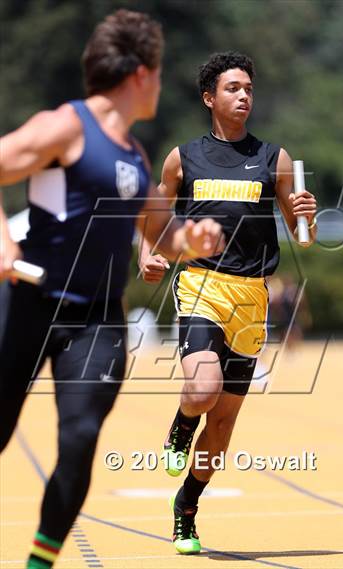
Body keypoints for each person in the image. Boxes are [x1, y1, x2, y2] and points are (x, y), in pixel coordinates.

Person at [0, 11, 223, 569]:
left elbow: (160, 233)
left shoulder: (132, 154)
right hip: (29, 304)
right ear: (141, 75)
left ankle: (37, 564)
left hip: (98, 321)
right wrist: (3, 243)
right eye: (160, 71)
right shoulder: (65, 126)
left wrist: (189, 239)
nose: (161, 81)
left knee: (78, 441)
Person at [139, 52, 317, 554]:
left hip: (252, 296)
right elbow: (153, 217)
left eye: (249, 89)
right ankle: (179, 426)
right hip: (201, 285)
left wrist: (308, 214)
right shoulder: (183, 158)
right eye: (233, 88)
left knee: (221, 427)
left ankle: (186, 507)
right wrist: (148, 258)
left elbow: (304, 237)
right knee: (202, 389)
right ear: (209, 98)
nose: (244, 96)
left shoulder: (274, 159)